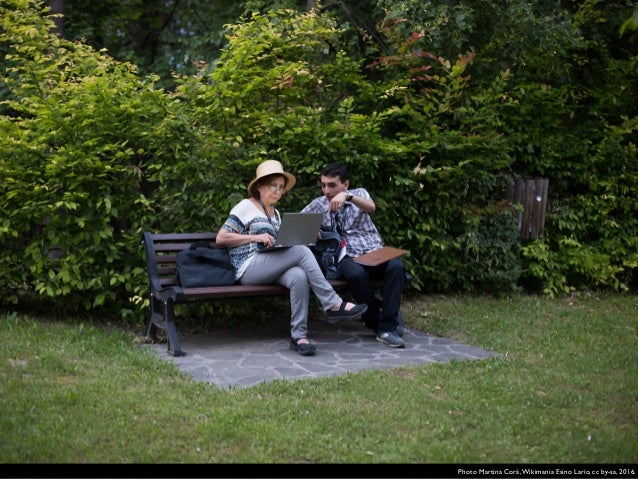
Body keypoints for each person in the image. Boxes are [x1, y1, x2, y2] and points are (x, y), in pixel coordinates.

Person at [215, 160, 368, 356]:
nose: (278, 191)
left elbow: (281, 245)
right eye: (273, 186)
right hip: (248, 267)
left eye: (281, 187)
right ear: (260, 186)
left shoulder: (276, 214)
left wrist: (308, 234)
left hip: (269, 265)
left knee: (298, 276)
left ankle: (299, 337)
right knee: (300, 251)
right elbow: (221, 238)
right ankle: (332, 304)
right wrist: (255, 237)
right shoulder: (246, 206)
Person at [301, 162, 407, 348]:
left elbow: (371, 207)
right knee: (355, 275)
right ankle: (381, 327)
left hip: (373, 251)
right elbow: (297, 225)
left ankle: (387, 325)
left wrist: (347, 196)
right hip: (346, 256)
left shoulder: (359, 194)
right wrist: (310, 230)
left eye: (332, 185)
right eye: (323, 185)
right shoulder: (319, 204)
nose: (326, 190)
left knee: (397, 267)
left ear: (345, 184)